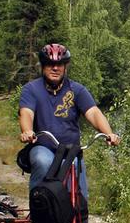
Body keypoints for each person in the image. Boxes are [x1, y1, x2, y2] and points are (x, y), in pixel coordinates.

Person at [18, 43, 120, 203]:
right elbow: (27, 113)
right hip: (43, 147)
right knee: (43, 162)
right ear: (43, 66)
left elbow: (93, 112)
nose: (55, 68)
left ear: (65, 67)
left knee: (80, 196)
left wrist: (109, 133)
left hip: (70, 150)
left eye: (59, 64)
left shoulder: (77, 90)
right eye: (50, 64)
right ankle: (39, 209)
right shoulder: (31, 89)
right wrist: (27, 131)